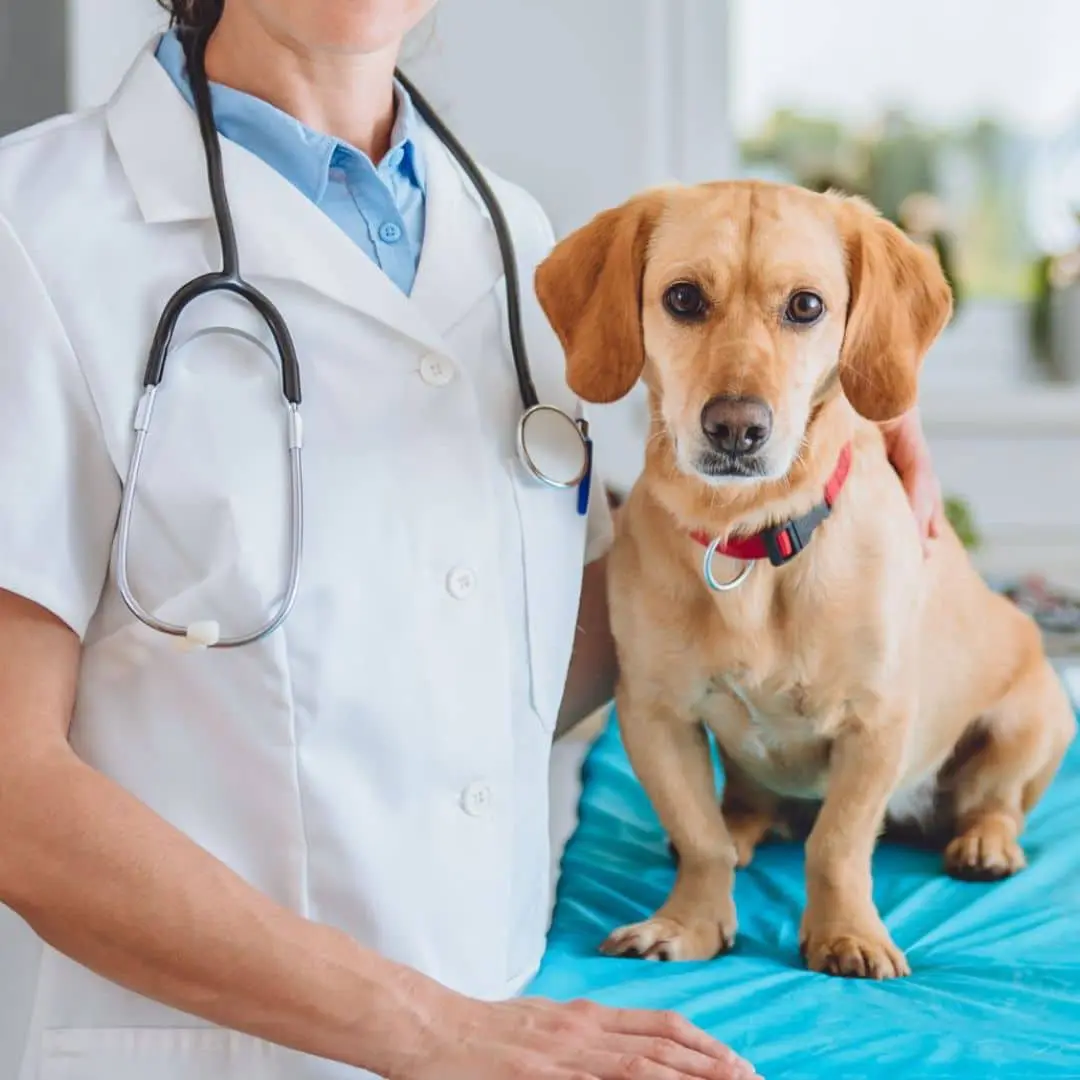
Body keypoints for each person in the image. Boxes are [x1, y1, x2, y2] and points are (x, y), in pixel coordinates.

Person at [0, 2, 942, 1078]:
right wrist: (434, 1031)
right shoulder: (30, 232)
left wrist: (815, 492)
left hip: (512, 1011)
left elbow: (533, 665)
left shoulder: (517, 237)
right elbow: (14, 797)